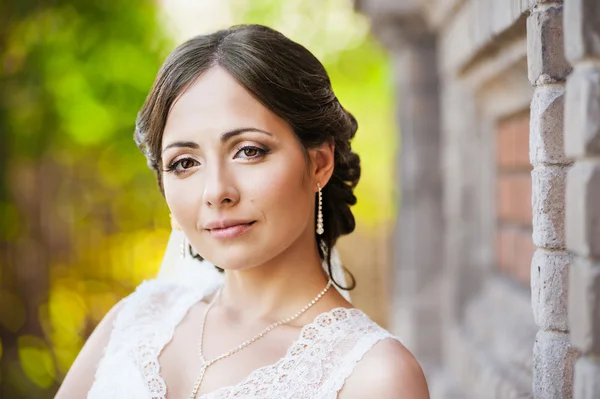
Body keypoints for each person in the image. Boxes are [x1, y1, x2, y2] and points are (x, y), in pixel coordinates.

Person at [55, 24, 429, 399]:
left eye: (249, 150)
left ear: (318, 163)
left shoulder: (373, 376)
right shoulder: (134, 322)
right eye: (185, 162)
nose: (217, 192)